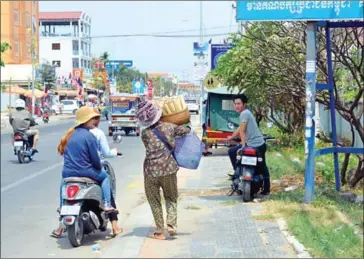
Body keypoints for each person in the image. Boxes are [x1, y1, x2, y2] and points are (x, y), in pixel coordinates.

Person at [51, 108, 122, 238]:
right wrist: (98, 167)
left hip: (68, 173)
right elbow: (95, 158)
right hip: (85, 171)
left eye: (96, 118)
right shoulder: (90, 136)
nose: (95, 121)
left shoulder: (69, 135)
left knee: (63, 185)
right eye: (93, 118)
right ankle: (107, 205)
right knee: (105, 177)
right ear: (85, 120)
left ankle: (62, 210)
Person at [136, 100, 191, 240]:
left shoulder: (144, 134)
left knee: (154, 200)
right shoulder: (169, 127)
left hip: (150, 171)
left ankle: (160, 231)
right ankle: (171, 224)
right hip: (168, 169)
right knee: (171, 197)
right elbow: (187, 130)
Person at [227, 94, 270, 195]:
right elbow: (240, 128)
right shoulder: (245, 114)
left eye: (239, 103)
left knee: (261, 166)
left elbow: (242, 131)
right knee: (232, 151)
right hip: (252, 144)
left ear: (244, 104)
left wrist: (243, 146)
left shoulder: (244, 114)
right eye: (235, 104)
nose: (236, 106)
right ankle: (238, 174)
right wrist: (232, 137)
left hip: (258, 145)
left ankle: (266, 187)